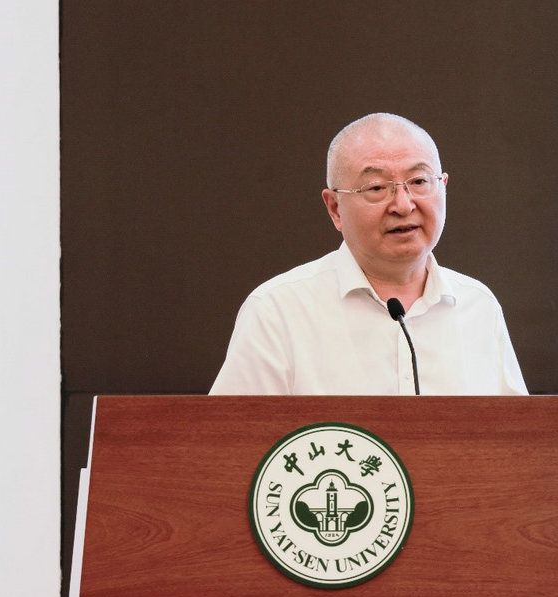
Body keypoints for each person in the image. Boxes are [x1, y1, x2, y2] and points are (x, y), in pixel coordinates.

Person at [209, 113, 527, 395]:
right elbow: (231, 438)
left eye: (419, 181)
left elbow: (517, 437)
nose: (403, 205)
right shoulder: (277, 311)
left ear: (443, 186)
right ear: (335, 208)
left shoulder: (478, 306)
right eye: (376, 188)